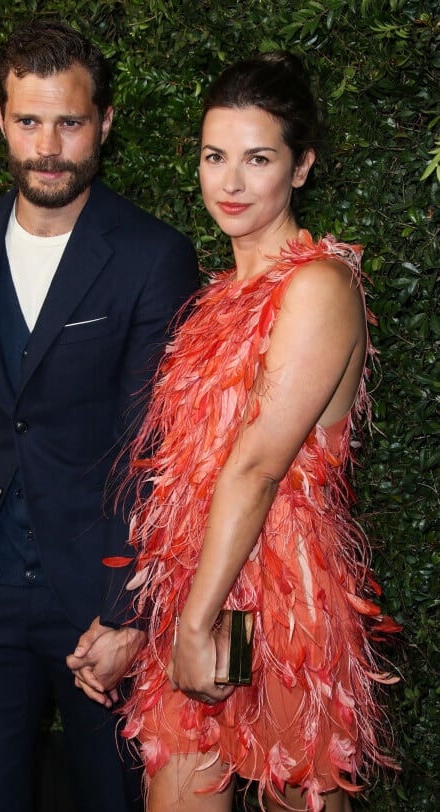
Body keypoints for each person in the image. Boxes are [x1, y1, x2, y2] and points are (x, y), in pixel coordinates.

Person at [70, 53, 401, 811]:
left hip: (280, 607)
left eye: (259, 159)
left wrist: (191, 624)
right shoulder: (215, 296)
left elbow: (254, 469)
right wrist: (145, 619)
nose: (231, 182)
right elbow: (180, 479)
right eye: (215, 157)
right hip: (201, 585)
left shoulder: (318, 286)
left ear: (302, 166)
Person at [0, 16, 198, 812]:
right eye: (29, 121)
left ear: (103, 122)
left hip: (96, 601)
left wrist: (129, 611)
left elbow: (157, 446)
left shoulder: (152, 255)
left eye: (69, 122)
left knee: (114, 798)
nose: (48, 146)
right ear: (1, 119)